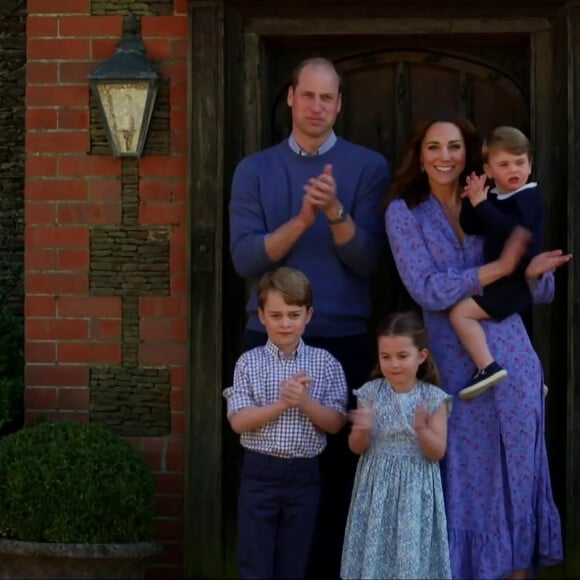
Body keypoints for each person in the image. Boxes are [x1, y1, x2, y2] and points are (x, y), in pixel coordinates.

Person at [384, 115, 569, 580]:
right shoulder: (404, 213)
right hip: (457, 371)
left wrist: (528, 271)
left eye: (453, 147)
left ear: (468, 155)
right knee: (467, 484)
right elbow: (426, 287)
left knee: (517, 479)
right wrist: (496, 269)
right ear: (419, 155)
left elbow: (539, 291)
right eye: (433, 147)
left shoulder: (496, 199)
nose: (444, 156)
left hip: (515, 360)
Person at [229, 56, 390, 577]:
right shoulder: (254, 169)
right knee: (265, 477)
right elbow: (246, 259)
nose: (317, 107)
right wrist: (301, 220)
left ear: (340, 103)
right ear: (291, 99)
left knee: (336, 480)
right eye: (309, 96)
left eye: (328, 97)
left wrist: (336, 213)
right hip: (268, 339)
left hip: (341, 337)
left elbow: (367, 261)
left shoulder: (368, 167)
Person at [223, 267, 348, 580]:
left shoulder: (325, 363)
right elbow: (238, 421)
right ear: (262, 316)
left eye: (294, 314)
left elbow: (335, 423)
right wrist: (282, 404)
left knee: (296, 561)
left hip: (305, 475)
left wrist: (304, 402)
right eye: (276, 315)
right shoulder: (249, 362)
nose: (285, 323)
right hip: (259, 472)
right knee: (255, 560)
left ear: (309, 315)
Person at [341, 311, 452, 580]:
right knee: (374, 554)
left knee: (409, 559)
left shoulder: (433, 398)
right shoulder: (370, 393)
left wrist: (423, 429)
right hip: (376, 487)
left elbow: (437, 452)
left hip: (415, 488)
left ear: (421, 356)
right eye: (385, 356)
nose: (393, 364)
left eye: (402, 356)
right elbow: (356, 447)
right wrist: (361, 428)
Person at [449, 126, 544, 399]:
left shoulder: (528, 197)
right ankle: (529, 374)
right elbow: (472, 225)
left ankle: (487, 367)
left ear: (530, 164)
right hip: (501, 281)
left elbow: (512, 232)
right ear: (489, 170)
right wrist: (473, 200)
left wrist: (482, 205)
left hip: (514, 282)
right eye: (504, 164)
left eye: (520, 162)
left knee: (460, 313)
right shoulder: (495, 198)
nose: (513, 169)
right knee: (510, 334)